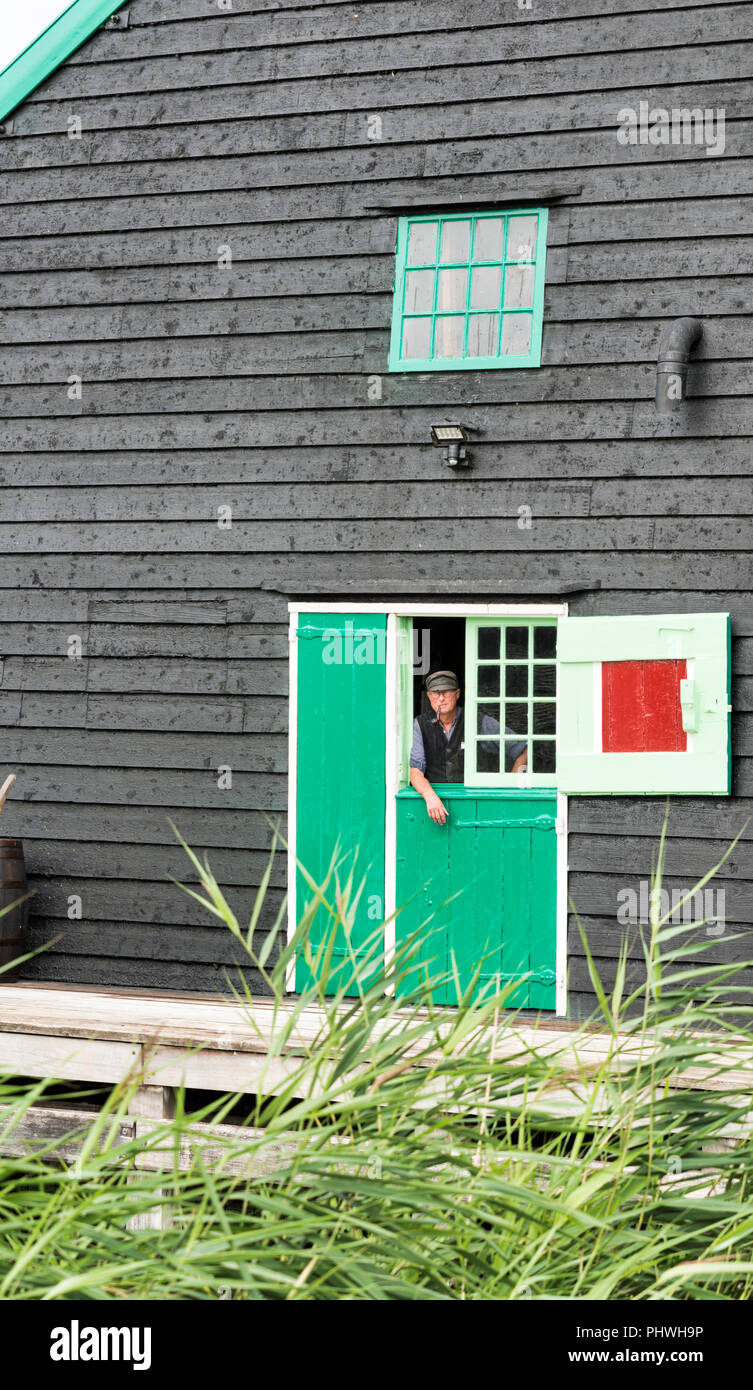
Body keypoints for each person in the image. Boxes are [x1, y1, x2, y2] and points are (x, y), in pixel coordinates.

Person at [409, 669, 527, 826]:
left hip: (476, 806)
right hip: (436, 810)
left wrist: (514, 786)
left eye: (446, 692)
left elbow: (523, 749)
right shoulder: (420, 724)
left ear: (457, 694)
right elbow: (415, 772)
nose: (441, 698)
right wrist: (429, 795)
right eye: (435, 693)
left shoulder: (477, 721)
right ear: (429, 696)